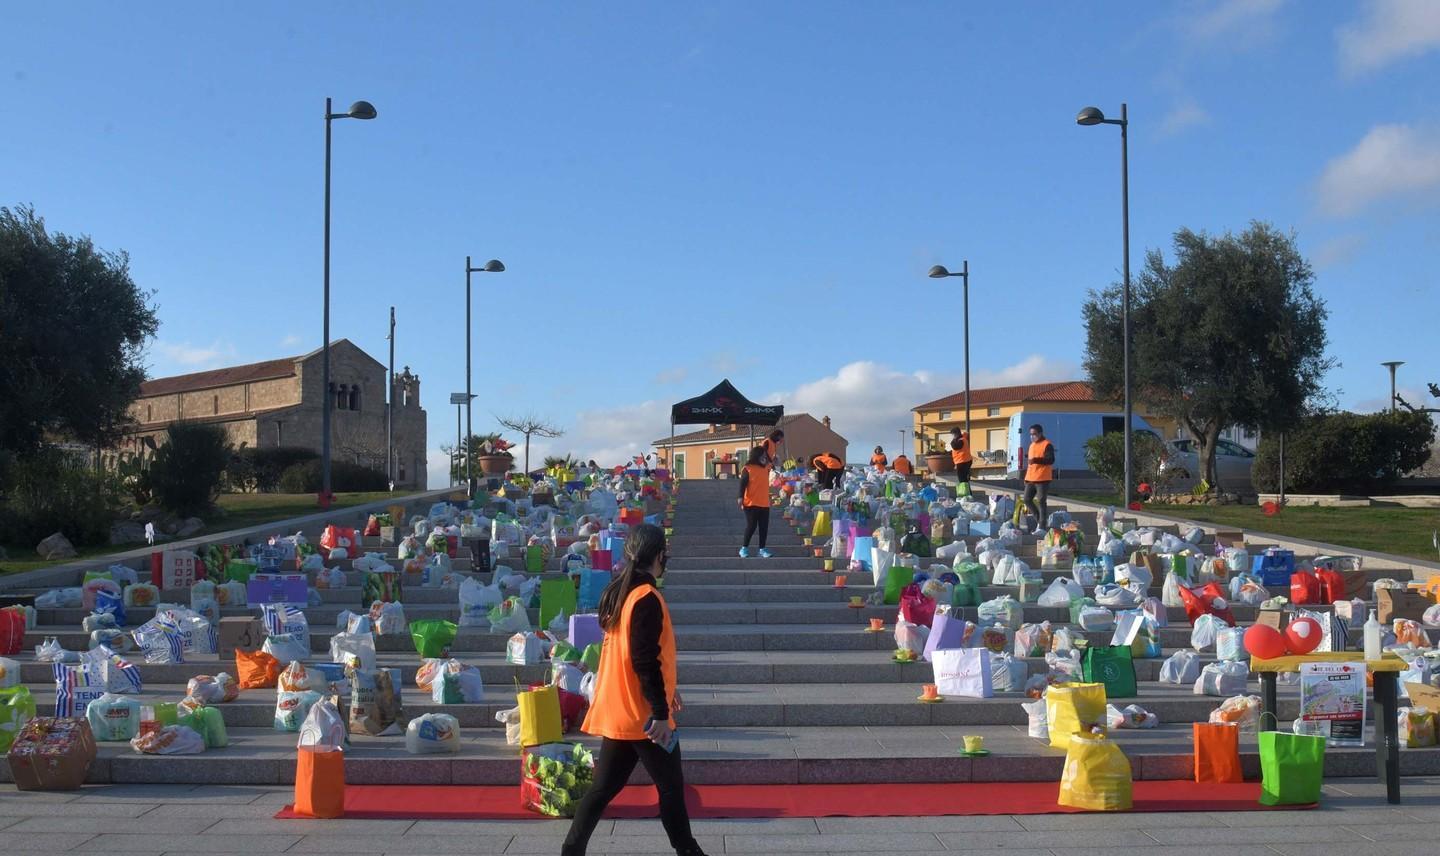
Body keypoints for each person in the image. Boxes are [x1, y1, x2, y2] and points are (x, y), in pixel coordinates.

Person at [563, 524, 706, 856]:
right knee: (671, 789)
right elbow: (644, 660)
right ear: (659, 556)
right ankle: (689, 851)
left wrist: (667, 690)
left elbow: (636, 658)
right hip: (644, 717)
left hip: (621, 709)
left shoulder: (621, 592)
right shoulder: (646, 597)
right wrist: (660, 711)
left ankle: (570, 851)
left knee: (603, 789)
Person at [736, 446, 773, 559]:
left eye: (765, 455)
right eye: (762, 455)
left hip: (764, 503)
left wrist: (771, 458)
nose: (764, 457)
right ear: (756, 455)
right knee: (751, 525)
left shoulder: (766, 467)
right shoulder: (748, 468)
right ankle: (744, 548)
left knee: (764, 527)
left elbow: (774, 463)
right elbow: (743, 483)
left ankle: (762, 549)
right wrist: (740, 497)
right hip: (751, 503)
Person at [1022, 423, 1055, 534]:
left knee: (1041, 501)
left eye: (1034, 434)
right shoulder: (1031, 446)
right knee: (1027, 499)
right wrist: (1026, 478)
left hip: (1043, 478)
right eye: (1030, 434)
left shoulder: (1047, 445)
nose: (1032, 436)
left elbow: (1050, 460)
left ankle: (1042, 526)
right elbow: (1030, 465)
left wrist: (1036, 460)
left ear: (1040, 433)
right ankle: (1040, 522)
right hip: (1031, 478)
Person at [949, 427, 973, 496]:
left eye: (952, 434)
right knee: (965, 479)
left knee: (962, 479)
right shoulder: (963, 439)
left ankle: (965, 493)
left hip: (962, 462)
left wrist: (953, 440)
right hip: (966, 461)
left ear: (956, 434)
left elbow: (955, 446)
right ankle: (968, 493)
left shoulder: (961, 440)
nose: (952, 436)